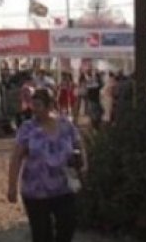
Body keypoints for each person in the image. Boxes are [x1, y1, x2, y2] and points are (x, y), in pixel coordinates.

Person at [7, 88, 88, 242]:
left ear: (50, 105)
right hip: (36, 191)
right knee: (42, 234)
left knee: (68, 226)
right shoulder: (27, 128)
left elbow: (79, 146)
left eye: (38, 105)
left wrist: (83, 168)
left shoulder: (66, 125)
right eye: (33, 105)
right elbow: (16, 157)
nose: (34, 109)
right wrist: (12, 186)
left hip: (64, 188)